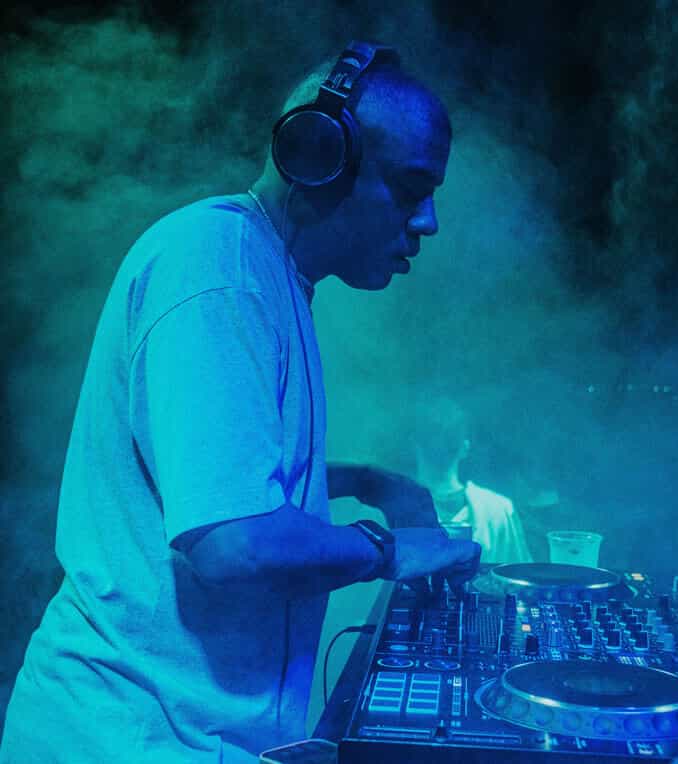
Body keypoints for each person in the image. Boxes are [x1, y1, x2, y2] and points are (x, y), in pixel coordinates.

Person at [0, 42, 480, 763]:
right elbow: (235, 542)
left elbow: (222, 469)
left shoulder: (262, 272)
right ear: (320, 156)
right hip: (124, 738)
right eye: (413, 187)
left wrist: (363, 480)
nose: (429, 221)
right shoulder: (216, 271)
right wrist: (389, 549)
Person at [412, 395, 533, 564]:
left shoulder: (498, 510)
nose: (439, 441)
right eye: (434, 432)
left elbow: (515, 572)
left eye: (445, 433)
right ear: (464, 447)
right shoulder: (498, 510)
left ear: (414, 444)